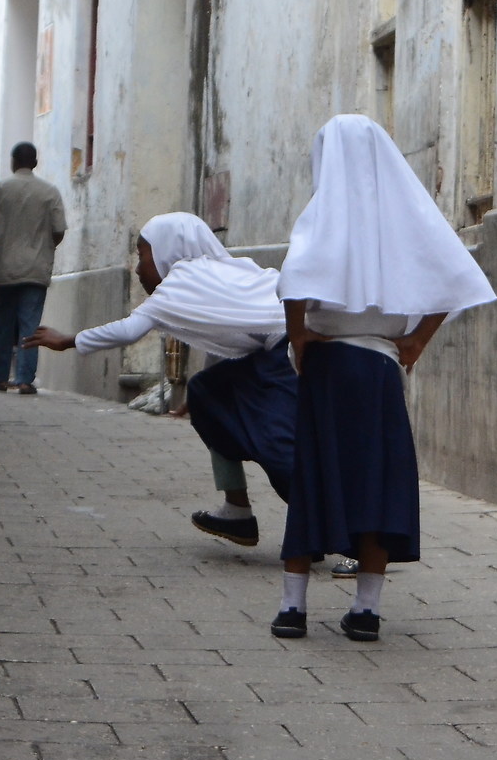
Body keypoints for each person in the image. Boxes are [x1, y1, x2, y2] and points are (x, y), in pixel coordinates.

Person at [270, 115, 495, 642]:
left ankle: (292, 607)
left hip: (327, 366)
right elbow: (455, 274)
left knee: (314, 476)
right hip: (379, 369)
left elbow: (293, 278)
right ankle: (366, 610)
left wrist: (298, 334)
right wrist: (416, 341)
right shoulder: (407, 216)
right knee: (378, 481)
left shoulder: (322, 213)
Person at [25, 213, 296, 544]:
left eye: (142, 255)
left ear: (168, 251)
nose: (138, 268)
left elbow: (129, 330)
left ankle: (334, 531)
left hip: (287, 352)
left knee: (280, 448)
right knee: (206, 392)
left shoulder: (178, 285)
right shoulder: (225, 271)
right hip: (285, 346)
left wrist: (67, 340)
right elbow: (232, 341)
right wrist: (207, 397)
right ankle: (239, 511)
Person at [0, 142, 65, 393]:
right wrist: (45, 248)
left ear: (13, 162)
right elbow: (58, 231)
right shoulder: (50, 192)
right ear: (35, 163)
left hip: (4, 269)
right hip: (36, 269)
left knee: (2, 323)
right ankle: (24, 380)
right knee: (30, 326)